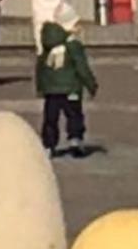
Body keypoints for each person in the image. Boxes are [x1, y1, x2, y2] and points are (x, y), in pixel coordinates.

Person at [35, 18, 98, 158]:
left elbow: (40, 69)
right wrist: (91, 84)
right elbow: (81, 67)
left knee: (50, 119)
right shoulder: (73, 46)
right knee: (74, 115)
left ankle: (49, 145)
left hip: (51, 91)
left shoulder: (46, 48)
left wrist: (40, 88)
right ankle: (75, 139)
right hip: (71, 89)